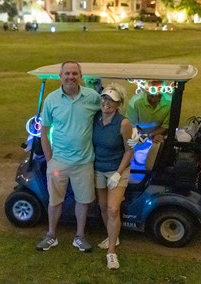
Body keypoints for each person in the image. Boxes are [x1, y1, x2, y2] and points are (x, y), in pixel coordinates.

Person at [36, 61, 101, 252]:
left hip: (84, 161)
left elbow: (109, 112)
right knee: (55, 200)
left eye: (74, 73)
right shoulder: (51, 99)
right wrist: (50, 161)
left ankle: (79, 237)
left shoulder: (92, 97)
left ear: (80, 76)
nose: (71, 77)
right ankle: (51, 235)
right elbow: (44, 132)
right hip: (59, 161)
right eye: (67, 73)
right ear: (60, 76)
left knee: (83, 200)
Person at [93, 83, 133, 269]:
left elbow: (128, 151)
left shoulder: (123, 123)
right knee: (102, 206)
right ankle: (113, 238)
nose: (107, 103)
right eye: (105, 99)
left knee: (113, 209)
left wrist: (117, 173)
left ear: (119, 105)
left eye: (112, 101)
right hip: (98, 168)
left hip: (118, 169)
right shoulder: (95, 119)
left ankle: (111, 251)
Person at [126, 80, 172, 167]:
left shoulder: (170, 102)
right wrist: (143, 136)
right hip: (139, 136)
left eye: (159, 90)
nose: (155, 94)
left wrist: (154, 135)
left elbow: (166, 126)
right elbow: (131, 125)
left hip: (157, 136)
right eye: (152, 90)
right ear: (145, 90)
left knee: (156, 164)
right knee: (139, 161)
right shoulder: (135, 102)